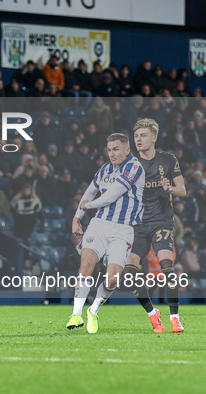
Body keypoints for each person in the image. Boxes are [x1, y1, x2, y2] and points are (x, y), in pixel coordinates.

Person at [67, 133, 145, 333]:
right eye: (109, 150)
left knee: (112, 279)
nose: (112, 154)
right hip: (99, 224)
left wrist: (89, 206)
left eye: (116, 149)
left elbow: (112, 195)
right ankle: (76, 314)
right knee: (86, 265)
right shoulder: (105, 169)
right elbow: (90, 191)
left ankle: (93, 310)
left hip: (123, 230)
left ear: (127, 150)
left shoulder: (134, 167)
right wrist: (77, 217)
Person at [119, 119, 186, 333]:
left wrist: (169, 189)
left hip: (161, 221)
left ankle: (175, 317)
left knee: (167, 267)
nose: (139, 139)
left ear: (154, 137)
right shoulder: (128, 164)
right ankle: (152, 313)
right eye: (136, 135)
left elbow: (182, 190)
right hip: (138, 225)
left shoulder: (168, 159)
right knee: (128, 275)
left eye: (143, 135)